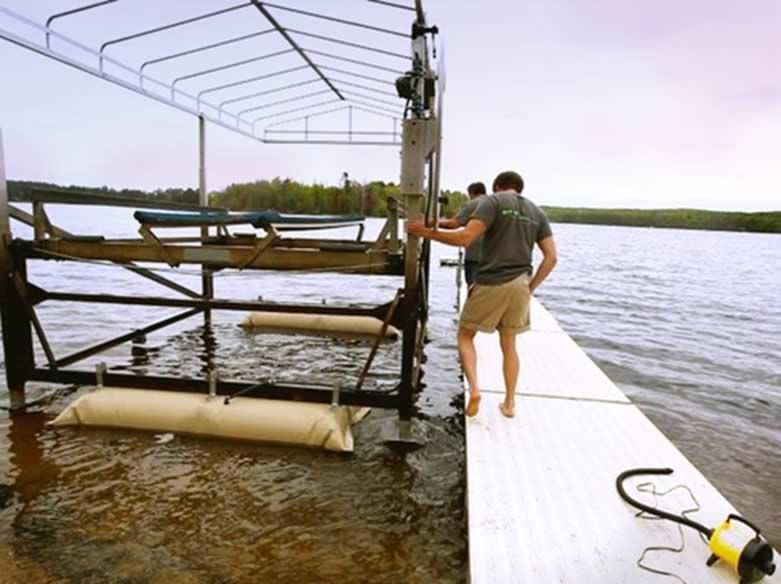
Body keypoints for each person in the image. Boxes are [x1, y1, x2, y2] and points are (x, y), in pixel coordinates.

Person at [406, 170, 557, 418]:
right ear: (520, 188)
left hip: (491, 281)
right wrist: (530, 288)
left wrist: (427, 233)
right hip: (521, 284)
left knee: (465, 335)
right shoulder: (537, 212)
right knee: (509, 344)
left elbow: (465, 238)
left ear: (497, 186)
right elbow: (551, 257)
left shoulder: (492, 201)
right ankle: (509, 404)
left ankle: (475, 390)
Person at [438, 182, 486, 286]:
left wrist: (432, 223)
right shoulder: (495, 204)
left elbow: (453, 224)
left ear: (472, 193)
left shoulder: (473, 204)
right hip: (493, 257)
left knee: (473, 287)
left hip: (474, 255)